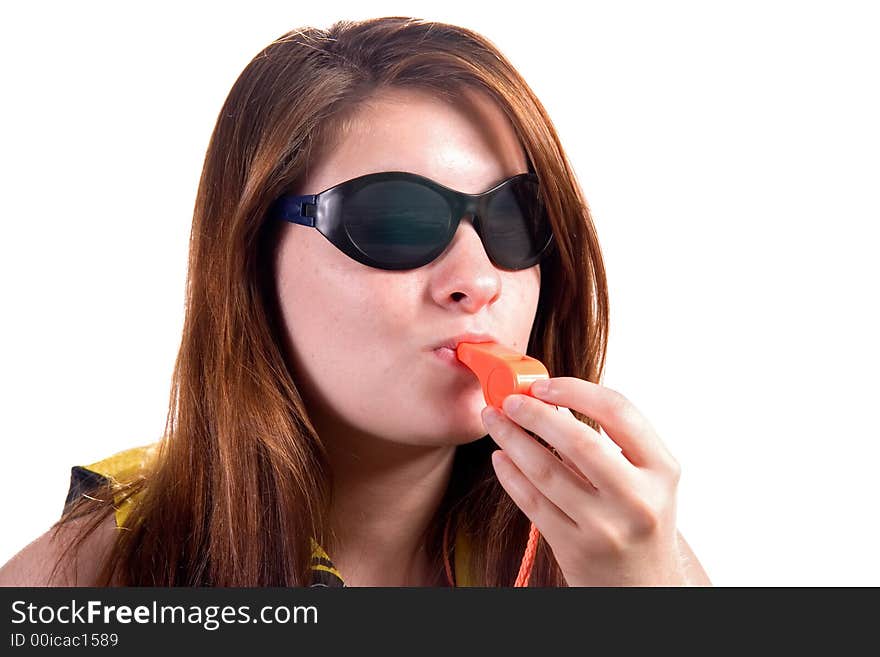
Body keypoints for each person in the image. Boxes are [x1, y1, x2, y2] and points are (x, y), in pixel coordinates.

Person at [0, 16, 710, 587]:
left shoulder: (622, 548)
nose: (478, 278)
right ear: (250, 259)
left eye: (512, 220)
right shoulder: (96, 574)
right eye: (395, 221)